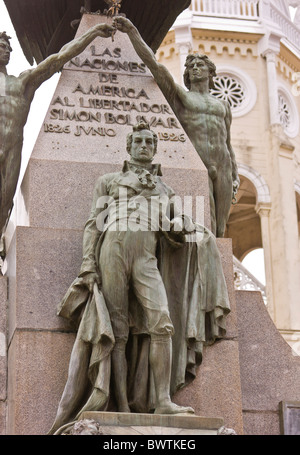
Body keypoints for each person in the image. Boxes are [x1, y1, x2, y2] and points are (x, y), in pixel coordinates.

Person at [48, 122, 230, 435]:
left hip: (146, 257)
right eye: (139, 141)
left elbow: (177, 224)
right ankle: (120, 403)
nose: (144, 146)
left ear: (155, 148)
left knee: (162, 322)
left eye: (149, 141)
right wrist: (88, 264)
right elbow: (95, 224)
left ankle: (162, 400)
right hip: (113, 250)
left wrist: (184, 226)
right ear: (130, 146)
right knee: (117, 330)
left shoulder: (165, 189)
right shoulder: (109, 181)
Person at [112, 16, 240, 238]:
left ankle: (221, 270)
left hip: (224, 165)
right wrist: (132, 32)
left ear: (211, 74)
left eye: (200, 66)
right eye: (191, 66)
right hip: (198, 164)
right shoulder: (182, 96)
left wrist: (236, 174)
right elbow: (155, 65)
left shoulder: (223, 105)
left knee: (221, 230)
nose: (195, 69)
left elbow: (228, 142)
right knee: (206, 227)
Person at [0, 23, 114, 236]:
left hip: (12, 149)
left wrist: (93, 32)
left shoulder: (22, 82)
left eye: (8, 47)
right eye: (1, 46)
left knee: (4, 205)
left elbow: (59, 58)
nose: (6, 51)